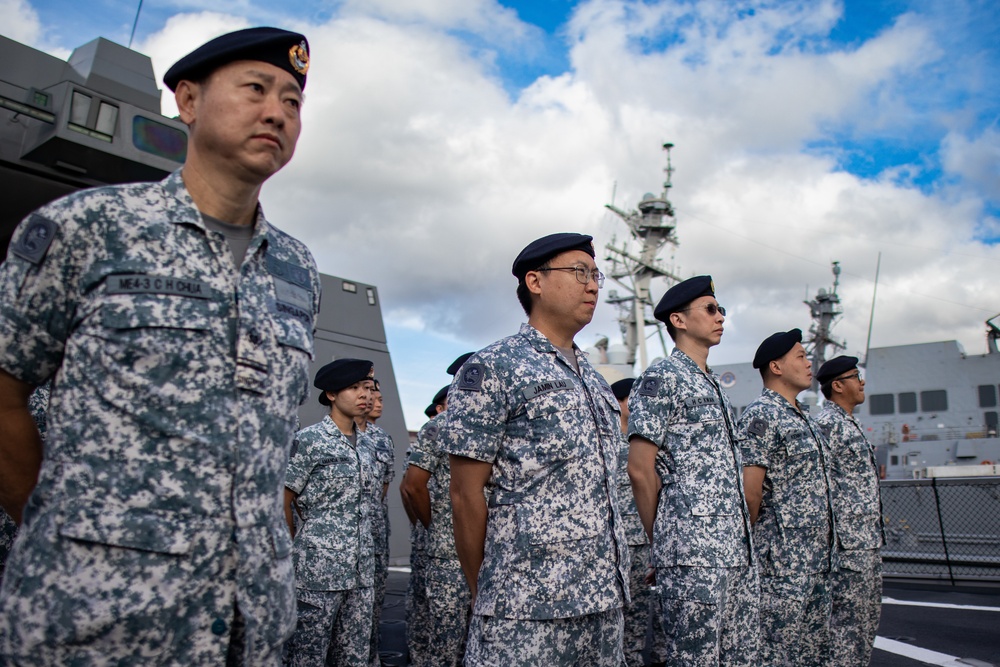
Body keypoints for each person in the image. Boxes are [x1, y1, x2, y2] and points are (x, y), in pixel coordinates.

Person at [0, 27, 319, 665]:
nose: (276, 112)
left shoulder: (296, 269)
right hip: (97, 620)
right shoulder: (85, 228)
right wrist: (67, 532)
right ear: (188, 101)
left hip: (247, 625)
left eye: (292, 101)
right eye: (256, 89)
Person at [443, 232, 630, 666]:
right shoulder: (494, 366)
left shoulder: (596, 381)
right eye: (579, 272)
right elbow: (465, 493)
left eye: (596, 275)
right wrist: (486, 591)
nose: (593, 286)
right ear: (535, 281)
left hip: (602, 602)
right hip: (524, 608)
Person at [627, 276, 758, 666]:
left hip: (734, 550)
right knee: (694, 659)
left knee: (739, 657)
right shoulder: (662, 377)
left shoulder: (713, 384)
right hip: (691, 551)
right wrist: (663, 541)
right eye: (710, 309)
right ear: (679, 321)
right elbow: (639, 468)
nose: (721, 317)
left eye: (721, 309)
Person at [738, 329, 837, 666]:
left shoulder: (803, 418)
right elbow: (750, 492)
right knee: (775, 654)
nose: (809, 364)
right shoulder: (761, 416)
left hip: (817, 562)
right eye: (800, 356)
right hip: (781, 566)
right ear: (776, 367)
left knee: (812, 653)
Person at [284, 359, 378, 667]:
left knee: (354, 656)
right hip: (317, 571)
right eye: (353, 388)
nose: (364, 394)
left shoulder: (368, 444)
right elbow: (283, 499)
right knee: (307, 655)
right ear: (331, 395)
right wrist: (289, 554)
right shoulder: (309, 441)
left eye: (367, 387)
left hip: (362, 571)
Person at [814, 356, 884, 666]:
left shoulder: (848, 422)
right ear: (838, 385)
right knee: (845, 629)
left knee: (866, 625)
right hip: (847, 545)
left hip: (866, 541)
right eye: (855, 376)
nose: (862, 381)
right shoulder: (827, 425)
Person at [400, 384, 469, 666]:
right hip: (448, 553)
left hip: (494, 553)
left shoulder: (500, 424)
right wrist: (434, 526)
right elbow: (412, 487)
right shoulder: (440, 426)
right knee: (446, 641)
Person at [611, 378, 667, 667]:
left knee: (640, 621)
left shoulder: (648, 443)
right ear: (620, 403)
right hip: (615, 548)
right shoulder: (606, 442)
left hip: (644, 544)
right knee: (613, 624)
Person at [357, 378, 395, 666]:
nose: (371, 399)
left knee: (372, 607)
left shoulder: (381, 439)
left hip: (375, 537)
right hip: (335, 545)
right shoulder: (315, 438)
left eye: (375, 394)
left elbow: (382, 489)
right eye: (365, 392)